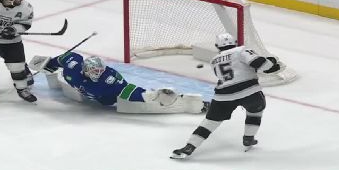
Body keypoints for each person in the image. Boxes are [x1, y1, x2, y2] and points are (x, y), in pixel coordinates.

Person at [170, 33, 281, 159]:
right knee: (255, 111)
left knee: (210, 122)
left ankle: (189, 147)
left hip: (223, 96)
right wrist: (272, 63)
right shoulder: (241, 50)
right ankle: (248, 139)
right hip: (249, 92)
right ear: (234, 42)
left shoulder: (214, 60)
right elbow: (260, 63)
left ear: (217, 46)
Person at [30, 52, 208, 113]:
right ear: (85, 69)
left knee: (126, 92)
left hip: (106, 99)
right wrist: (49, 64)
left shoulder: (107, 79)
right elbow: (65, 58)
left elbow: (124, 89)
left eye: (99, 70)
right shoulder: (74, 66)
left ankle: (153, 95)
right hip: (93, 97)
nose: (98, 73)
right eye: (94, 71)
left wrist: (147, 96)